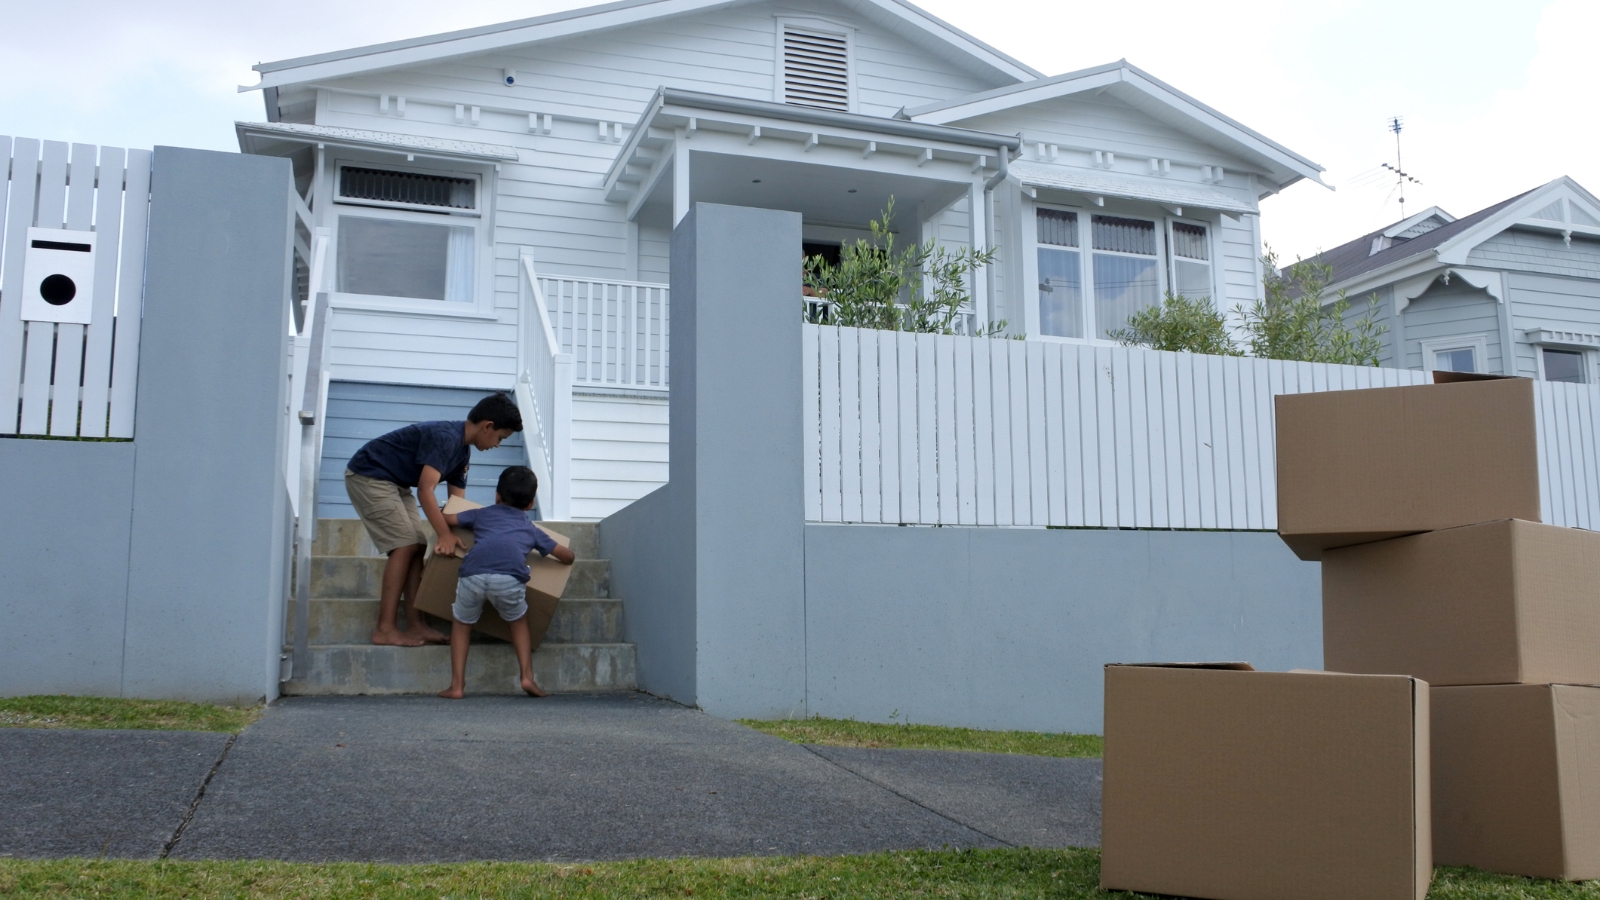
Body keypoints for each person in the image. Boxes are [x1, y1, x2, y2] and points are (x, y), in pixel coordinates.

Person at [343, 393, 523, 647]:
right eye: (500, 438)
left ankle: (416, 625)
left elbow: (455, 508)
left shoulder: (462, 453)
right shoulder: (446, 437)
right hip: (369, 475)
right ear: (488, 426)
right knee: (405, 545)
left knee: (417, 546)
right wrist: (444, 535)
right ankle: (384, 629)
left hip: (396, 482)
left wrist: (476, 537)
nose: (498, 444)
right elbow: (426, 490)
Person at [437, 466, 574, 699]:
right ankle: (527, 677)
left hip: (473, 575)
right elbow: (566, 556)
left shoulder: (481, 514)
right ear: (530, 504)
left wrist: (444, 514)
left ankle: (457, 685)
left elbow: (446, 519)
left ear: (497, 495)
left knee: (461, 624)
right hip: (509, 579)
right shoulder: (530, 528)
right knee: (518, 621)